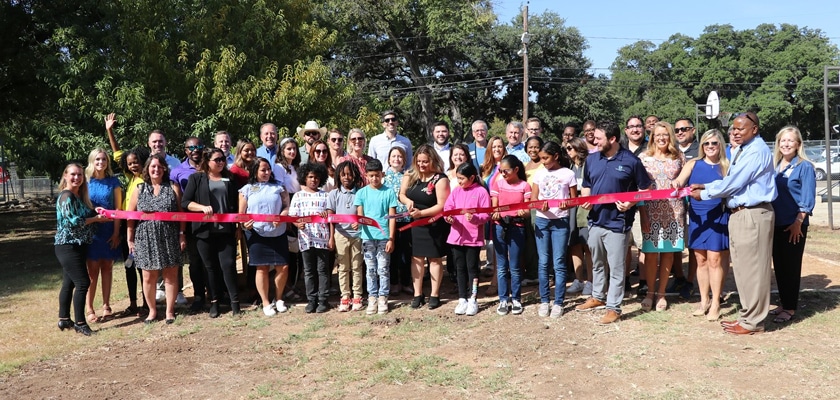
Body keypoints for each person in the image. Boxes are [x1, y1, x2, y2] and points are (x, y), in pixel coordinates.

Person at [690, 111, 777, 335]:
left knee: (753, 270)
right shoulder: (744, 150)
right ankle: (748, 317)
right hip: (740, 213)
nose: (735, 132)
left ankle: (753, 322)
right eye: (734, 129)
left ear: (755, 130)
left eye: (741, 129)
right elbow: (730, 180)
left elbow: (735, 183)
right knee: (743, 269)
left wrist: (706, 193)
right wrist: (706, 188)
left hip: (752, 213)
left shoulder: (756, 151)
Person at [576, 120, 652, 325]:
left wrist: (630, 202)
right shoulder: (592, 160)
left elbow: (645, 189)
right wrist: (586, 199)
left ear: (612, 139)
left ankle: (614, 308)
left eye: (599, 138)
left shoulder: (631, 161)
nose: (594, 141)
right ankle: (598, 297)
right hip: (595, 222)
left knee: (617, 268)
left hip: (618, 224)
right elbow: (586, 185)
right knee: (598, 263)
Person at [672, 129, 730, 321]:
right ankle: (704, 300)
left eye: (714, 143)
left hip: (718, 216)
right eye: (706, 143)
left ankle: (715, 303)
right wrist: (675, 184)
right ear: (702, 146)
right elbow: (680, 180)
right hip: (697, 216)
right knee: (700, 259)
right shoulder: (693, 163)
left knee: (715, 260)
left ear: (720, 144)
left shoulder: (726, 166)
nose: (710, 147)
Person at [127, 154, 186, 324]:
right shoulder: (139, 189)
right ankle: (152, 311)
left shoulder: (173, 187)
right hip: (145, 237)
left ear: (164, 169)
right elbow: (131, 216)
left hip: (169, 235)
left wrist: (182, 234)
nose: (156, 169)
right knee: (148, 276)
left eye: (159, 167)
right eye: (153, 166)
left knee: (170, 275)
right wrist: (130, 239)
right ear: (147, 169)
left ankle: (169, 311)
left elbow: (181, 214)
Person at [182, 147, 241, 318]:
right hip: (204, 232)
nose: (221, 162)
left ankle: (235, 302)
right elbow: (186, 202)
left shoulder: (229, 178)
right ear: (207, 162)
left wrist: (238, 227)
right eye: (217, 160)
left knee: (228, 265)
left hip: (226, 231)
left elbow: (236, 205)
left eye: (222, 159)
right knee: (210, 268)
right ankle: (214, 302)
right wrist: (201, 208)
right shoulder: (196, 178)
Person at [55, 163, 111, 336]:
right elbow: (74, 222)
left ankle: (64, 319)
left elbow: (86, 213)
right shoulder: (66, 196)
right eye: (73, 174)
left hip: (78, 245)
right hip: (68, 246)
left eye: (80, 175)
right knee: (83, 283)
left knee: (69, 282)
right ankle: (80, 323)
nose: (76, 178)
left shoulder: (77, 196)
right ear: (65, 176)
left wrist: (96, 211)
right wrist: (95, 219)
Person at [103, 113, 150, 316]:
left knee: (142, 268)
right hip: (125, 228)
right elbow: (117, 154)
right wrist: (109, 130)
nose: (132, 165)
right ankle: (133, 303)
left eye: (136, 162)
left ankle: (147, 304)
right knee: (129, 267)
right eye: (130, 163)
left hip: (140, 229)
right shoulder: (130, 178)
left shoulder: (146, 180)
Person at [638, 122, 686, 312]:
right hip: (651, 212)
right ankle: (650, 292)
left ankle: (662, 293)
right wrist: (643, 213)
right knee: (650, 254)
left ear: (670, 136)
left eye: (665, 134)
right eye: (658, 134)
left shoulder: (679, 157)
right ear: (652, 137)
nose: (661, 138)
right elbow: (639, 188)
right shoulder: (643, 158)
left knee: (667, 254)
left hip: (674, 212)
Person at [770, 126, 816, 324]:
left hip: (793, 225)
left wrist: (799, 221)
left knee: (791, 266)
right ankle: (784, 301)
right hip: (775, 224)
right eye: (783, 140)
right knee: (779, 265)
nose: (786, 144)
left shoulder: (804, 166)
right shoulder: (775, 166)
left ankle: (790, 308)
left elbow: (807, 197)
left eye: (790, 141)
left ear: (798, 144)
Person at [399, 144, 450, 309]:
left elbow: (442, 205)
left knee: (434, 259)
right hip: (414, 223)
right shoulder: (410, 175)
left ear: (432, 160)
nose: (421, 165)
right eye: (419, 161)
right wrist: (407, 202)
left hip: (432, 223)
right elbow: (401, 194)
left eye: (425, 162)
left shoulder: (440, 179)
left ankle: (434, 294)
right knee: (416, 258)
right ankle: (418, 294)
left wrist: (422, 213)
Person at [239, 157, 291, 316]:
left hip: (278, 233)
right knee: (261, 268)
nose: (267, 172)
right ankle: (266, 302)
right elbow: (241, 215)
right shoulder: (246, 189)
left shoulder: (279, 187)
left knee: (283, 267)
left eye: (268, 169)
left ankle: (279, 298)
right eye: (263, 170)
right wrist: (244, 224)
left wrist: (282, 215)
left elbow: (287, 207)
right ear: (255, 171)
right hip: (256, 234)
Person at [532, 142, 578, 318]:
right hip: (542, 221)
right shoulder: (539, 173)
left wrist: (568, 204)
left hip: (560, 222)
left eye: (546, 158)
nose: (543, 162)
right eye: (541, 158)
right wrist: (539, 205)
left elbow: (575, 200)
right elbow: (534, 198)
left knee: (559, 262)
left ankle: (558, 302)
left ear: (556, 156)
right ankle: (545, 300)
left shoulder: (568, 174)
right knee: (543, 262)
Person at [442, 162, 490, 316]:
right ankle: (462, 298)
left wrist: (475, 218)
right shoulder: (456, 191)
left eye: (462, 178)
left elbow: (486, 215)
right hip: (456, 237)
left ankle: (473, 299)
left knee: (472, 269)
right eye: (458, 178)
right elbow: (447, 209)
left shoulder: (481, 192)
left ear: (472, 177)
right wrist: (448, 218)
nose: (460, 181)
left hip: (473, 238)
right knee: (459, 268)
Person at [84, 148, 123, 323]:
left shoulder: (114, 182)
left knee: (107, 266)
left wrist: (116, 233)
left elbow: (118, 209)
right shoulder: (85, 182)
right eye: (98, 159)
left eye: (104, 159)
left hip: (109, 230)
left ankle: (106, 305)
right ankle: (90, 308)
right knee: (92, 270)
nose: (101, 162)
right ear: (92, 161)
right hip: (92, 230)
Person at [355, 159, 399, 315]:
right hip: (367, 237)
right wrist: (357, 223)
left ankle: (383, 297)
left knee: (383, 269)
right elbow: (360, 215)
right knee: (370, 269)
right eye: (371, 176)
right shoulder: (361, 193)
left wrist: (391, 238)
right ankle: (372, 297)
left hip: (383, 237)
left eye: (377, 175)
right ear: (366, 175)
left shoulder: (389, 192)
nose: (375, 179)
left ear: (382, 175)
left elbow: (392, 217)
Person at [169, 137, 207, 311]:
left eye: (199, 146)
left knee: (211, 259)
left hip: (212, 219)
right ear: (185, 150)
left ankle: (215, 294)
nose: (195, 149)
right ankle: (199, 296)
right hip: (190, 222)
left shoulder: (211, 165)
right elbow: (177, 200)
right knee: (195, 260)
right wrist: (181, 230)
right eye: (191, 147)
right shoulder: (177, 171)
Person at [289, 162, 333, 313]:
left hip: (322, 238)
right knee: (309, 270)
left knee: (322, 270)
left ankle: (323, 300)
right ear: (304, 178)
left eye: (317, 177)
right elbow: (293, 217)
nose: (314, 180)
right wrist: (297, 224)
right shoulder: (298, 196)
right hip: (306, 238)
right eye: (311, 177)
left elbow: (330, 216)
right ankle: (311, 300)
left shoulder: (325, 195)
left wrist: (326, 215)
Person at [490, 155, 531, 316]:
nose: (503, 173)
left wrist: (523, 212)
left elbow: (527, 211)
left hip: (517, 228)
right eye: (500, 171)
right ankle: (503, 299)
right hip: (500, 227)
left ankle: (516, 298)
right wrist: (496, 214)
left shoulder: (525, 186)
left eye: (505, 170)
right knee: (501, 266)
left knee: (514, 266)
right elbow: (494, 207)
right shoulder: (497, 184)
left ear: (516, 170)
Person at [327, 161, 365, 312]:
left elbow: (364, 214)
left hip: (358, 235)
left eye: (349, 174)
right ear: (338, 176)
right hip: (340, 235)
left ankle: (357, 295)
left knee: (357, 266)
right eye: (343, 174)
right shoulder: (333, 194)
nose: (347, 177)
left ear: (355, 175)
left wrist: (360, 222)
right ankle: (345, 296)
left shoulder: (361, 193)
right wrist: (331, 238)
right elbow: (330, 218)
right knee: (343, 267)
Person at [565, 137, 593, 296]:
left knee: (587, 247)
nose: (567, 151)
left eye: (570, 148)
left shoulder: (588, 165)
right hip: (572, 212)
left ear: (578, 148)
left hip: (586, 211)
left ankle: (590, 281)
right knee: (574, 245)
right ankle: (578, 280)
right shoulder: (569, 168)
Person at [384, 146, 413, 296]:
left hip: (406, 219)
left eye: (400, 156)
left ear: (404, 160)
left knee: (406, 252)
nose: (396, 159)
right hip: (389, 220)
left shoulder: (408, 177)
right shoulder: (383, 178)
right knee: (392, 253)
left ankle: (406, 282)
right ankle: (394, 282)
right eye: (394, 156)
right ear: (389, 159)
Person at [521, 136, 545, 287]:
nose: (533, 150)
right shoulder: (524, 166)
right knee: (529, 243)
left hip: (541, 209)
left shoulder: (545, 164)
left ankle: (545, 274)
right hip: (526, 209)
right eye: (530, 147)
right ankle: (531, 274)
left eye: (536, 147)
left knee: (541, 243)